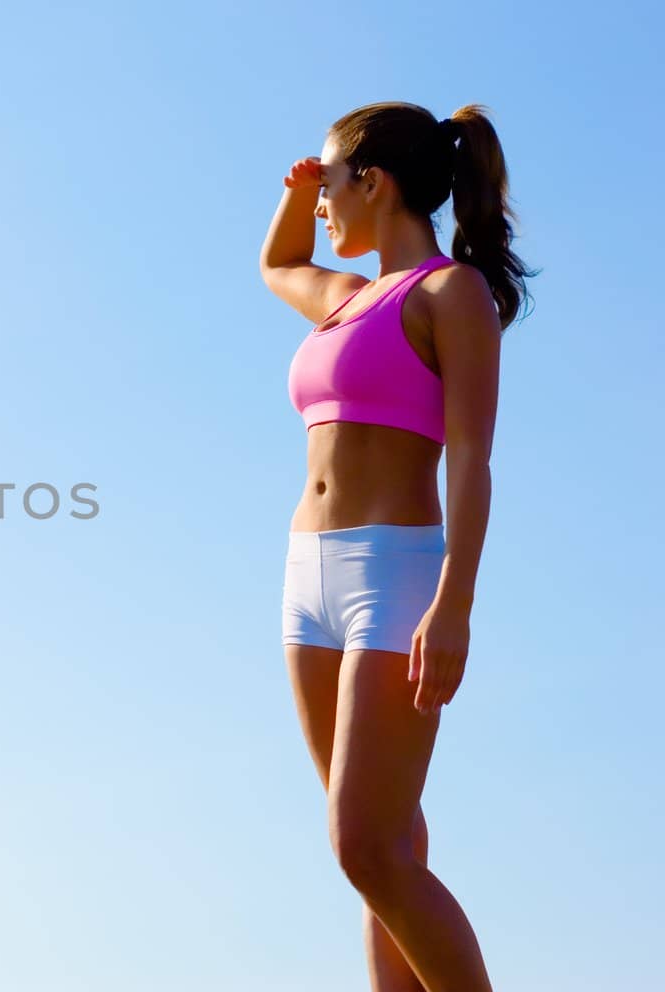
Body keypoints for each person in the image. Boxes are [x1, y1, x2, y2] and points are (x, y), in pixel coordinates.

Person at [258, 102, 534, 992]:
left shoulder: (451, 296)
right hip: (308, 581)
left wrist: (455, 603)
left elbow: (473, 463)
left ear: (374, 183)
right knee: (387, 848)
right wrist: (299, 193)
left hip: (396, 576)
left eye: (335, 186)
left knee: (367, 848)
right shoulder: (342, 299)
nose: (328, 209)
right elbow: (278, 262)